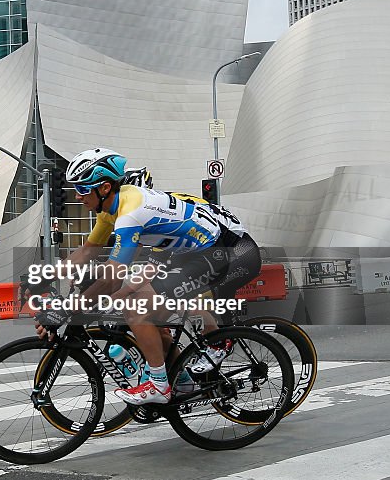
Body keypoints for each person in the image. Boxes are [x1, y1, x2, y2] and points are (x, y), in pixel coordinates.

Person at [35, 148, 260, 405]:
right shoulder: (112, 208)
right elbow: (88, 249)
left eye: (83, 189)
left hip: (219, 253)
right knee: (150, 314)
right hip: (191, 253)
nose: (77, 195)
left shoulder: (131, 213)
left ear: (105, 188)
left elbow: (113, 276)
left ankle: (160, 385)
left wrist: (66, 310)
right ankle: (182, 382)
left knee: (137, 308)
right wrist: (46, 275)